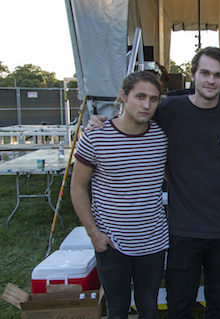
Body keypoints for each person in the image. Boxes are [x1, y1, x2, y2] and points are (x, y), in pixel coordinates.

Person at [88, 47, 220, 319]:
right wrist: (103, 122)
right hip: (183, 229)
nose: (210, 80)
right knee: (178, 305)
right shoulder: (168, 109)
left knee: (218, 304)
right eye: (204, 72)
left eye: (218, 75)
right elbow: (134, 117)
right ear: (193, 75)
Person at [70, 71, 169, 318]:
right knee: (117, 309)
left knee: (149, 307)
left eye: (154, 99)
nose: (146, 105)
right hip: (112, 242)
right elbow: (78, 187)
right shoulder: (96, 135)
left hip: (152, 241)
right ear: (123, 96)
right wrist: (95, 234)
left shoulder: (163, 137)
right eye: (140, 96)